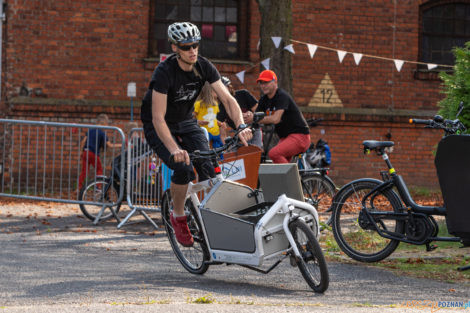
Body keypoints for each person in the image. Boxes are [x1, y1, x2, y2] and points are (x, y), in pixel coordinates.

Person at [140, 22, 252, 247]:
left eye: (195, 46)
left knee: (209, 169)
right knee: (182, 168)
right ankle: (178, 215)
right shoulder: (164, 72)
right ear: (175, 48)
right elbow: (158, 118)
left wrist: (240, 126)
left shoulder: (204, 66)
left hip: (186, 120)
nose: (192, 51)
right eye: (186, 47)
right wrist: (174, 149)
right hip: (159, 124)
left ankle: (212, 218)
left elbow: (228, 100)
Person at [255, 70, 311, 163]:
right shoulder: (264, 100)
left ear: (275, 82)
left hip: (300, 136)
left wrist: (256, 119)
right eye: (261, 83)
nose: (263, 85)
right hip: (286, 138)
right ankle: (293, 177)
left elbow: (276, 119)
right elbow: (255, 117)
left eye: (266, 82)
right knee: (277, 166)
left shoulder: (281, 96)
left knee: (274, 154)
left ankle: (292, 178)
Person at [217, 76, 263, 149]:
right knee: (238, 156)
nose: (221, 92)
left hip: (254, 131)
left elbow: (259, 111)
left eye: (223, 88)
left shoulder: (243, 94)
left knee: (254, 153)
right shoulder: (220, 108)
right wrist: (226, 149)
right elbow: (223, 134)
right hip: (239, 136)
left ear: (229, 87)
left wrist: (251, 115)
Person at [78, 114, 122, 190]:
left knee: (84, 171)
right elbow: (109, 145)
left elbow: (83, 141)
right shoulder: (102, 133)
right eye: (107, 124)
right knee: (99, 169)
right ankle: (98, 187)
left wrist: (81, 152)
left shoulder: (90, 130)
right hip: (93, 153)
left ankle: (78, 187)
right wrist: (122, 144)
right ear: (104, 123)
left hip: (86, 152)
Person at [194, 82, 224, 148]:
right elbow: (192, 118)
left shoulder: (215, 104)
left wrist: (220, 124)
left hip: (216, 133)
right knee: (207, 149)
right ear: (208, 91)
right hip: (205, 133)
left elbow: (214, 118)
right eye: (215, 90)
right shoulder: (198, 104)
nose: (217, 92)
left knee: (219, 149)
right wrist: (199, 121)